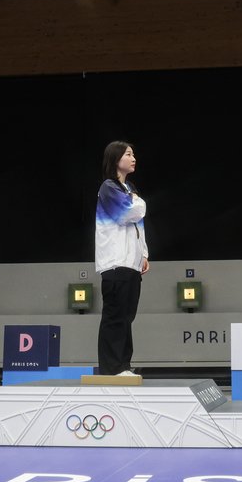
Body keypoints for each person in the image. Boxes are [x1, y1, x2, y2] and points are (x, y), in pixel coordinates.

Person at [95, 141, 150, 377]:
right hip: (115, 262)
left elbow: (139, 225)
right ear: (116, 159)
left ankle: (124, 365)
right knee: (115, 316)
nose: (133, 157)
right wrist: (139, 201)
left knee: (127, 317)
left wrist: (144, 253)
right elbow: (128, 213)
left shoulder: (129, 189)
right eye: (128, 154)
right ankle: (112, 368)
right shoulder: (109, 187)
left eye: (133, 153)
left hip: (132, 263)